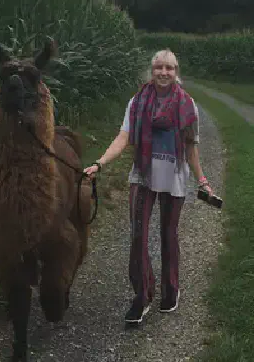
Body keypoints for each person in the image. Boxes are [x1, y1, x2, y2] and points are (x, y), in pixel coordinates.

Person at [83, 49, 213, 324]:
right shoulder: (137, 101)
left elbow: (191, 147)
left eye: (169, 68)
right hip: (143, 176)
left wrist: (202, 180)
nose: (164, 72)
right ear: (152, 71)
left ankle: (171, 289)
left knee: (169, 234)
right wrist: (100, 163)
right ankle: (142, 296)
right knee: (138, 237)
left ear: (176, 72)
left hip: (174, 177)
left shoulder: (187, 105)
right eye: (159, 67)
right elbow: (123, 137)